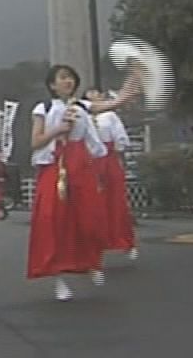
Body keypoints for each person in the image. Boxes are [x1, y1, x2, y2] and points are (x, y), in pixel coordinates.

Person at [27, 64, 135, 302]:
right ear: (52, 85)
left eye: (71, 78)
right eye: (62, 78)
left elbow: (110, 106)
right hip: (54, 167)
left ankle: (91, 263)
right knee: (52, 220)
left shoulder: (83, 107)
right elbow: (35, 142)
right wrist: (58, 130)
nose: (68, 82)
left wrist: (129, 89)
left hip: (81, 166)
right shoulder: (43, 108)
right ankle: (58, 278)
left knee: (90, 217)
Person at [86, 88, 139, 261]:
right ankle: (94, 246)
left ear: (102, 96)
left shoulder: (110, 116)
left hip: (108, 158)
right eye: (89, 94)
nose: (93, 96)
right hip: (90, 160)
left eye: (96, 93)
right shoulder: (83, 116)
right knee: (93, 204)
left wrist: (117, 154)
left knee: (116, 201)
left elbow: (120, 139)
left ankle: (126, 242)